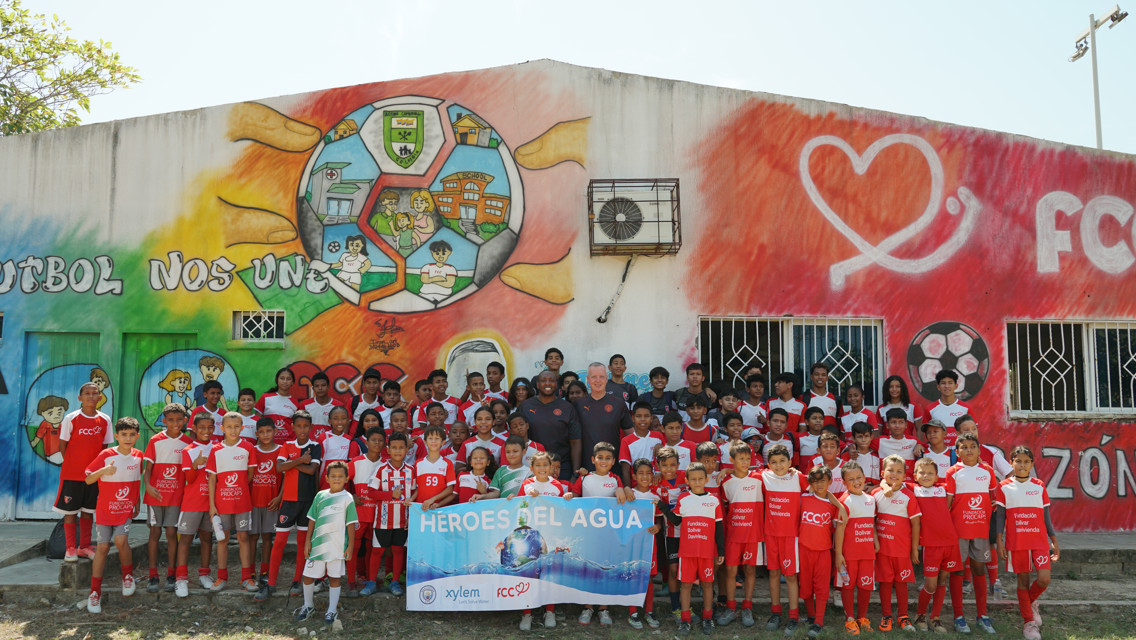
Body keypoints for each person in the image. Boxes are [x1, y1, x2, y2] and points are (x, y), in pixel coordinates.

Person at [256, 411, 322, 601]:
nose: (302, 430)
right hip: (288, 502)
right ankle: (271, 583)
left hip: (307, 502)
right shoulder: (287, 445)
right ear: (292, 427)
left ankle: (296, 581)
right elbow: (279, 468)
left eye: (305, 426)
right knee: (279, 543)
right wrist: (300, 460)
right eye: (298, 426)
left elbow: (311, 470)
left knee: (303, 544)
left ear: (311, 427)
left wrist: (290, 464)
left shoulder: (315, 446)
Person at [995, 446, 1059, 640]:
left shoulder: (1039, 485)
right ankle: (1028, 623)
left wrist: (1054, 541)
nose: (1022, 465)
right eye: (1018, 461)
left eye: (1026, 461)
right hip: (1017, 541)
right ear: (1011, 462)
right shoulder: (1004, 486)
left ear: (1032, 464)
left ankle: (1029, 602)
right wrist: (999, 541)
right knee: (1022, 581)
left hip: (1039, 541)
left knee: (1044, 579)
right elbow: (1000, 517)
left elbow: (1046, 517)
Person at [83, 417, 143, 613]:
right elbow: (88, 480)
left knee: (120, 540)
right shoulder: (106, 454)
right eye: (123, 434)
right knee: (102, 548)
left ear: (137, 436)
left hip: (125, 509)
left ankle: (127, 576)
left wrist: (137, 502)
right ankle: (94, 593)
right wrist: (103, 470)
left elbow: (136, 482)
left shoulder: (139, 456)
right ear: (116, 436)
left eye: (131, 434)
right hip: (105, 510)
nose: (128, 438)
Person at [657, 461, 724, 636]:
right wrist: (662, 507)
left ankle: (707, 618)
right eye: (693, 479)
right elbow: (677, 521)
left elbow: (719, 528)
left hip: (707, 552)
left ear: (706, 479)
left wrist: (721, 552)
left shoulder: (713, 500)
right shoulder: (683, 498)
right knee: (685, 585)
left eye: (700, 479)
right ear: (687, 480)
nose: (697, 482)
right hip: (687, 552)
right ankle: (685, 620)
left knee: (708, 585)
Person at [945, 433, 998, 634]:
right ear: (957, 452)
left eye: (972, 446)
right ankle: (959, 617)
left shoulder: (987, 471)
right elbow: (948, 503)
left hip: (980, 530)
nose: (969, 450)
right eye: (964, 447)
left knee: (978, 570)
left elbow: (993, 499)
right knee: (958, 571)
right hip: (958, 531)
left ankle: (982, 616)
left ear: (978, 449)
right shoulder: (953, 471)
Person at [513, 450, 572, 631]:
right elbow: (518, 506)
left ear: (551, 467)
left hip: (551, 535)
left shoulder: (557, 486)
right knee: (529, 573)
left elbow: (561, 509)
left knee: (549, 573)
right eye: (538, 465)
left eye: (545, 465)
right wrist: (513, 500)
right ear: (532, 468)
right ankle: (527, 613)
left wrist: (567, 498)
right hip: (531, 537)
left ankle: (550, 611)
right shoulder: (527, 484)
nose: (542, 468)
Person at [294, 460, 357, 627]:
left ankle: (331, 609)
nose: (337, 479)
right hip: (318, 546)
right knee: (308, 576)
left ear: (347, 478)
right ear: (327, 478)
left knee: (334, 579)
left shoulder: (348, 498)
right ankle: (308, 605)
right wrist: (308, 541)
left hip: (337, 547)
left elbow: (351, 525)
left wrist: (350, 546)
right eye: (333, 476)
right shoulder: (320, 496)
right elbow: (312, 520)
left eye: (340, 476)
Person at [55, 382, 113, 562]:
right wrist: (73, 463)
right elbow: (62, 444)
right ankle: (70, 548)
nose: (91, 396)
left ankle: (84, 546)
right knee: (70, 512)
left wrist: (95, 469)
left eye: (95, 393)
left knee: (88, 511)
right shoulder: (70, 418)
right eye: (86, 393)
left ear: (100, 397)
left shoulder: (105, 419)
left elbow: (104, 447)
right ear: (80, 398)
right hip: (72, 474)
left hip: (93, 475)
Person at [571, 441, 627, 627]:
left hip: (609, 534)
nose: (603, 461)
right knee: (587, 568)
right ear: (593, 459)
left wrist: (622, 488)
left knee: (606, 567)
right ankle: (588, 606)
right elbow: (574, 499)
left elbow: (624, 500)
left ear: (613, 461)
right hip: (587, 532)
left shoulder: (616, 480)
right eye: (600, 457)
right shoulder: (584, 478)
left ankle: (603, 607)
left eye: (608, 458)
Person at [142, 403, 192, 593]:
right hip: (155, 497)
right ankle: (153, 575)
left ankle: (171, 574)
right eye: (170, 420)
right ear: (164, 421)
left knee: (172, 533)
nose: (175, 423)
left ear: (185, 420)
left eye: (179, 419)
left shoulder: (187, 442)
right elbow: (147, 471)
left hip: (176, 497)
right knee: (154, 533)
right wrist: (148, 486)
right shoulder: (155, 440)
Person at [205, 412, 256, 592]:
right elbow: (212, 479)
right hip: (222, 503)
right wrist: (212, 506)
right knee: (222, 539)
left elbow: (249, 475)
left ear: (242, 427)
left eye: (236, 427)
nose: (233, 430)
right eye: (229, 427)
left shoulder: (248, 448)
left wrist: (238, 488)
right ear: (222, 428)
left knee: (243, 537)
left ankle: (246, 578)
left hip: (242, 502)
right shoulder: (216, 449)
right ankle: (221, 577)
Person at [762, 444, 810, 633]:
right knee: (773, 574)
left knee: (790, 576)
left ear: (790, 462)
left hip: (791, 536)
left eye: (782, 461)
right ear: (768, 465)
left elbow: (817, 486)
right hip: (770, 535)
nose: (778, 465)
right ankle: (775, 613)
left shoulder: (798, 477)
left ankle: (793, 616)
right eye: (773, 462)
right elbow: (742, 474)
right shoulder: (764, 476)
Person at [716, 441, 764, 629]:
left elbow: (778, 472)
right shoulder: (725, 482)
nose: (745, 462)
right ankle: (730, 607)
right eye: (741, 459)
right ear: (731, 460)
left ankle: (747, 607)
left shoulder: (759, 478)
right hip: (733, 535)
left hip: (753, 534)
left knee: (750, 570)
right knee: (731, 571)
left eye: (747, 458)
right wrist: (728, 472)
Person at [911, 457, 962, 633]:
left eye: (930, 473)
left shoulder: (944, 489)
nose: (926, 476)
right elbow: (889, 484)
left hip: (950, 542)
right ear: (915, 475)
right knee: (930, 585)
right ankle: (920, 616)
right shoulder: (913, 489)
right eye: (922, 472)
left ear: (937, 476)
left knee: (942, 581)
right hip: (931, 545)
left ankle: (935, 618)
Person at [872, 455, 922, 632]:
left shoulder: (909, 496)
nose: (894, 474)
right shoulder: (875, 494)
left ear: (905, 474)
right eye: (891, 470)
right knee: (885, 582)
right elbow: (871, 521)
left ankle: (903, 616)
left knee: (901, 582)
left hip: (902, 549)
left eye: (899, 471)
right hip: (883, 550)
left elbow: (916, 523)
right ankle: (886, 616)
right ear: (882, 472)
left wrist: (914, 549)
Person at [799, 464, 847, 639]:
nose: (819, 485)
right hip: (803, 550)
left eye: (823, 481)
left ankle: (819, 621)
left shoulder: (835, 506)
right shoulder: (803, 498)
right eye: (816, 481)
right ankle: (811, 616)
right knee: (805, 587)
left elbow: (839, 529)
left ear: (830, 482)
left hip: (823, 552)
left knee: (820, 588)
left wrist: (839, 506)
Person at [366, 431, 416, 597]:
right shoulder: (381, 469)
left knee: (398, 551)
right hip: (382, 520)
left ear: (407, 450)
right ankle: (372, 582)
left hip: (403, 521)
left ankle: (395, 582)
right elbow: (371, 492)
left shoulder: (411, 470)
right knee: (377, 551)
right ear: (388, 449)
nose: (397, 451)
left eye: (401, 447)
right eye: (394, 447)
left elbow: (416, 491)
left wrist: (412, 500)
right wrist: (390, 495)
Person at [174, 412, 217, 597]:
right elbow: (189, 479)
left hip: (211, 503)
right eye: (201, 428)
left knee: (207, 538)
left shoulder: (217, 448)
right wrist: (196, 464)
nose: (205, 431)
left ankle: (204, 574)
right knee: (185, 539)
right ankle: (181, 578)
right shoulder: (188, 450)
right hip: (191, 503)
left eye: (209, 428)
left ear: (214, 429)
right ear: (194, 429)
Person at [836, 460, 877, 636]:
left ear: (864, 478)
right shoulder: (844, 501)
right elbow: (839, 530)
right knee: (848, 586)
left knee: (866, 585)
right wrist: (838, 554)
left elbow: (872, 522)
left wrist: (875, 539)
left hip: (867, 552)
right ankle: (850, 618)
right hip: (849, 554)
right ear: (844, 482)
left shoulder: (871, 499)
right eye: (851, 479)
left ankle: (862, 617)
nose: (856, 481)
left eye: (859, 477)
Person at [519, 370, 582, 481]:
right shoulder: (525, 406)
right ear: (537, 384)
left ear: (556, 384)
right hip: (532, 468)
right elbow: (517, 438)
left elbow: (575, 442)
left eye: (551, 380)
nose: (547, 383)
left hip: (561, 468)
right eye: (543, 380)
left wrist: (575, 474)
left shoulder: (567, 408)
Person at [574, 362, 633, 472]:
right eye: (594, 377)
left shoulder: (619, 404)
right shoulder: (578, 404)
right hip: (586, 468)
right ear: (587, 379)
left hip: (613, 468)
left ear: (607, 378)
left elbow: (631, 436)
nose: (598, 380)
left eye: (601, 377)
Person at [347, 426, 385, 595]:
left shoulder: (386, 463)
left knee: (372, 548)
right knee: (353, 547)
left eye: (380, 440)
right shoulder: (355, 462)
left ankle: (370, 579)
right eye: (373, 440)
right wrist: (350, 495)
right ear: (366, 442)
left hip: (378, 515)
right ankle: (351, 581)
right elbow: (338, 481)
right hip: (358, 514)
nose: (377, 443)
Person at [626, 458, 662, 629]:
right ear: (634, 475)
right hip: (633, 544)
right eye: (641, 473)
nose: (645, 476)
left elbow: (660, 520)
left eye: (648, 473)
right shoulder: (628, 495)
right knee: (634, 576)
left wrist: (658, 526)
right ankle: (633, 612)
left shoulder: (655, 496)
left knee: (648, 578)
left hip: (649, 544)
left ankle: (649, 611)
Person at [248, 417, 283, 590]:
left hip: (272, 502)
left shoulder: (281, 451)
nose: (265, 434)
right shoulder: (251, 450)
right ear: (256, 434)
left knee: (268, 536)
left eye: (269, 431)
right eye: (261, 432)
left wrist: (279, 497)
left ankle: (265, 571)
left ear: (275, 432)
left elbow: (286, 477)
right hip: (253, 501)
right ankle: (251, 572)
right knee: (252, 537)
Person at [653, 446, 687, 615]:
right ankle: (676, 608)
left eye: (673, 465)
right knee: (674, 570)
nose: (669, 469)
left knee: (687, 570)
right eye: (664, 465)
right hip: (671, 533)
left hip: (690, 532)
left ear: (679, 464)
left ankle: (688, 606)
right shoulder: (656, 484)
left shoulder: (687, 477)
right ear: (658, 465)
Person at [874, 408, 924, 479]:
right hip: (887, 483)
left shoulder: (914, 441)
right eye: (894, 422)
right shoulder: (880, 441)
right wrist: (852, 447)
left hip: (909, 483)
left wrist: (920, 445)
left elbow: (929, 447)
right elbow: (862, 445)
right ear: (887, 425)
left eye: (901, 422)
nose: (897, 426)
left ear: (906, 425)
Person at [415, 425, 456, 510]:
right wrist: (411, 499)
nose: (433, 441)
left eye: (437, 438)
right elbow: (417, 488)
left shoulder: (447, 463)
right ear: (425, 442)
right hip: (421, 508)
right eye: (430, 438)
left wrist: (434, 500)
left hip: (439, 508)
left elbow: (450, 489)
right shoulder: (418, 463)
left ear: (443, 442)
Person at [256, 367, 299, 445]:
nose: (285, 381)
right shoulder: (265, 397)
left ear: (292, 382)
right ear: (277, 380)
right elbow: (256, 420)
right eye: (282, 378)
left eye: (288, 379)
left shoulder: (295, 403)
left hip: (287, 444)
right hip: (267, 444)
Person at [456, 406, 507, 470]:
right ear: (475, 422)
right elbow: (458, 470)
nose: (483, 422)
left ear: (494, 421)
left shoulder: (502, 444)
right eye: (479, 419)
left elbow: (505, 470)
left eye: (487, 419)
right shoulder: (466, 444)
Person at [926, 370, 969, 446]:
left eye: (950, 383)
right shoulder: (930, 409)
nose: (947, 386)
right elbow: (925, 433)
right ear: (938, 387)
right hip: (938, 452)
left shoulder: (966, 408)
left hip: (960, 452)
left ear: (956, 386)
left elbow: (972, 432)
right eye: (943, 383)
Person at [486, 435, 532, 500]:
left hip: (522, 508)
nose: (511, 455)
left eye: (515, 451)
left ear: (524, 452)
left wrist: (516, 498)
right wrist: (482, 496)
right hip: (503, 509)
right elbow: (496, 493)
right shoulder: (500, 471)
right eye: (508, 452)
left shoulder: (529, 472)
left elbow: (530, 494)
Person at [800, 363, 842, 430]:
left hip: (831, 439)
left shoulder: (836, 399)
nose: (820, 377)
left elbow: (840, 423)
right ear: (811, 377)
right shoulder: (803, 398)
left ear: (827, 377)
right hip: (811, 439)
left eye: (823, 375)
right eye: (817, 374)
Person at [32, 395, 68, 464]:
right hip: (52, 455)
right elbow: (37, 439)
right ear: (42, 414)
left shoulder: (65, 424)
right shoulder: (45, 424)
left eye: (59, 412)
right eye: (50, 413)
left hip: (63, 454)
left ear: (64, 410)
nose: (56, 415)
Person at [845, 422, 881, 487]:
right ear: (853, 438)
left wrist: (873, 488)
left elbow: (884, 479)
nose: (863, 440)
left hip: (876, 492)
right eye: (860, 437)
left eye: (866, 436)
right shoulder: (847, 457)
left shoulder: (878, 456)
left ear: (871, 437)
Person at [350, 368, 384, 433]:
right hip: (355, 440)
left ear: (379, 384)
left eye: (375, 382)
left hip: (375, 440)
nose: (372, 386)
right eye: (368, 383)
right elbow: (347, 423)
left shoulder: (382, 402)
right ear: (364, 384)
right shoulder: (354, 401)